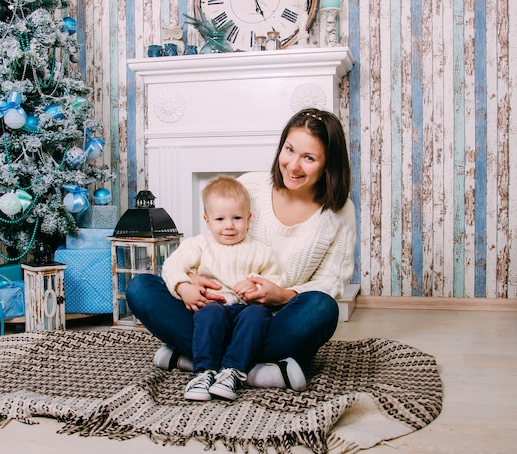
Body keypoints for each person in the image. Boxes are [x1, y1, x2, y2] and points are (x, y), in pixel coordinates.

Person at [126, 107, 356, 398]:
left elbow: (331, 282)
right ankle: (258, 370)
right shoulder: (250, 186)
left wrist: (283, 295)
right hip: (213, 311)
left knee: (323, 309)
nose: (293, 165)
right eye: (289, 150)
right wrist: (186, 283)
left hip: (272, 320)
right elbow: (211, 245)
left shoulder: (339, 212)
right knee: (140, 288)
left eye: (309, 158)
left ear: (328, 165)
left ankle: (192, 359)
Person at [159, 175, 283, 401]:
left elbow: (277, 277)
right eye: (220, 219)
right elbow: (171, 265)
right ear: (207, 221)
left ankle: (231, 371)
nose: (229, 226)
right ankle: (204, 371)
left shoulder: (260, 250)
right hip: (213, 305)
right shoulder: (199, 245)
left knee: (258, 314)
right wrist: (183, 285)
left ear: (249, 218)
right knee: (210, 314)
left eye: (237, 218)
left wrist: (255, 282)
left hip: (245, 309)